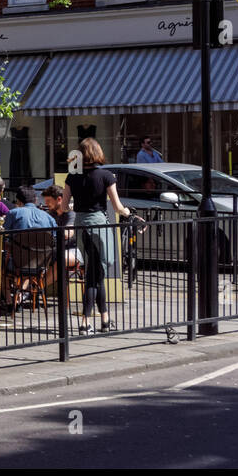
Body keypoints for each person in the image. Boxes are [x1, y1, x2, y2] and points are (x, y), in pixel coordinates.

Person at [63, 138, 142, 335]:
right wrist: (129, 214)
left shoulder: (72, 176)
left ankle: (105, 319)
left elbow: (64, 207)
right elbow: (117, 207)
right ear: (97, 152)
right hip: (99, 225)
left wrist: (77, 207)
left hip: (81, 224)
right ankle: (84, 322)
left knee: (96, 273)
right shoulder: (106, 175)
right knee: (94, 275)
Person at [41, 184, 80, 271]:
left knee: (57, 257)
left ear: (59, 199)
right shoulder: (51, 214)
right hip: (56, 249)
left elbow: (68, 233)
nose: (46, 203)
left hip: (74, 249)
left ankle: (43, 284)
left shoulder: (71, 213)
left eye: (48, 200)